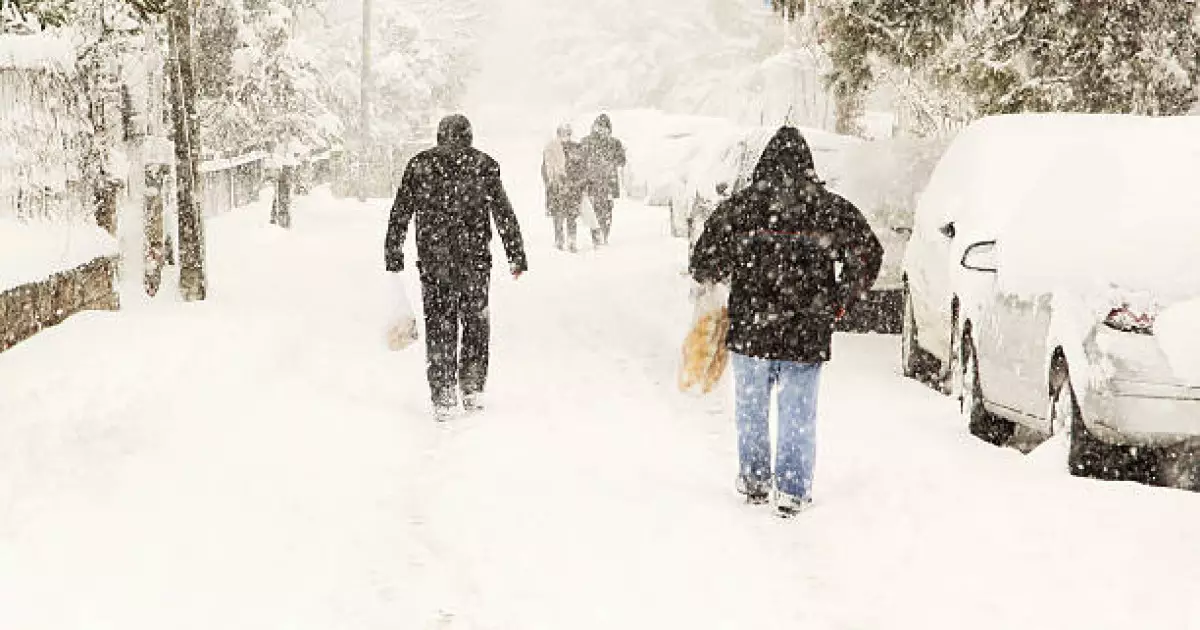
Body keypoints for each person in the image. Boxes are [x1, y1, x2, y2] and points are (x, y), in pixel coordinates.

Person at [689, 126, 883, 517]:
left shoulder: (741, 209)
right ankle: (792, 489)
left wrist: (730, 270)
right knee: (798, 413)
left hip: (752, 328)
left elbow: (703, 262)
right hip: (806, 331)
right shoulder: (828, 208)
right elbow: (868, 254)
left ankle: (755, 479)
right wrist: (839, 303)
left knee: (751, 409)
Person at [385, 114, 528, 420]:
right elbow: (503, 212)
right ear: (469, 136)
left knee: (439, 325)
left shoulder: (420, 166)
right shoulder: (483, 165)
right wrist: (515, 254)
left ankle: (443, 393)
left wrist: (393, 252)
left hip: (434, 261)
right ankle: (472, 387)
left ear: (439, 136)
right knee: (475, 323)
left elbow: (400, 212)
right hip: (474, 261)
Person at [580, 113, 626, 246]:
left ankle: (604, 235)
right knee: (594, 210)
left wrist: (612, 162)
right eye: (599, 126)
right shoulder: (586, 142)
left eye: (605, 127)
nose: (601, 129)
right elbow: (580, 161)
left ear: (609, 129)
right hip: (592, 182)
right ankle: (597, 236)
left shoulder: (614, 143)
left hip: (608, 182)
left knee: (607, 209)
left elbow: (622, 161)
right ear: (594, 127)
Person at [541, 123, 586, 252]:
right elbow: (545, 169)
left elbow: (581, 167)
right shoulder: (551, 149)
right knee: (558, 216)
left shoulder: (576, 147)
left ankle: (571, 241)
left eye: (567, 133)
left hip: (572, 187)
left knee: (571, 216)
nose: (565, 136)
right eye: (562, 133)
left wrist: (578, 182)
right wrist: (550, 182)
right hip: (556, 187)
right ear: (558, 134)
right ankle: (559, 240)